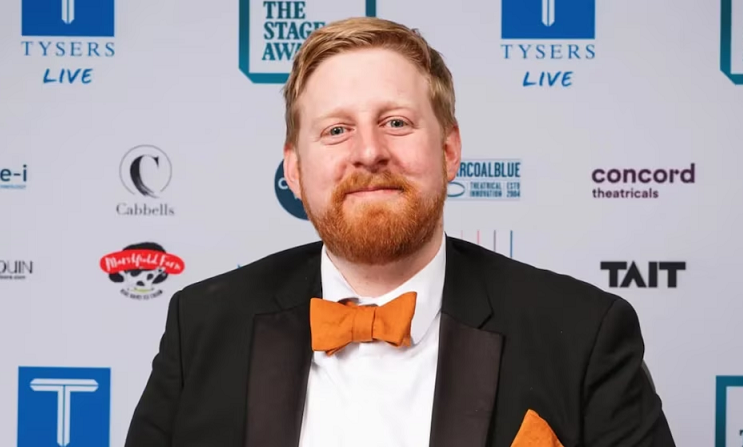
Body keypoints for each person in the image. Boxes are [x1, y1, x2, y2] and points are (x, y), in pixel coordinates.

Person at [124, 17, 675, 447]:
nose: (369, 152)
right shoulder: (202, 326)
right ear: (293, 169)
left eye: (396, 122)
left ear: (449, 150)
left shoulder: (582, 334)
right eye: (336, 130)